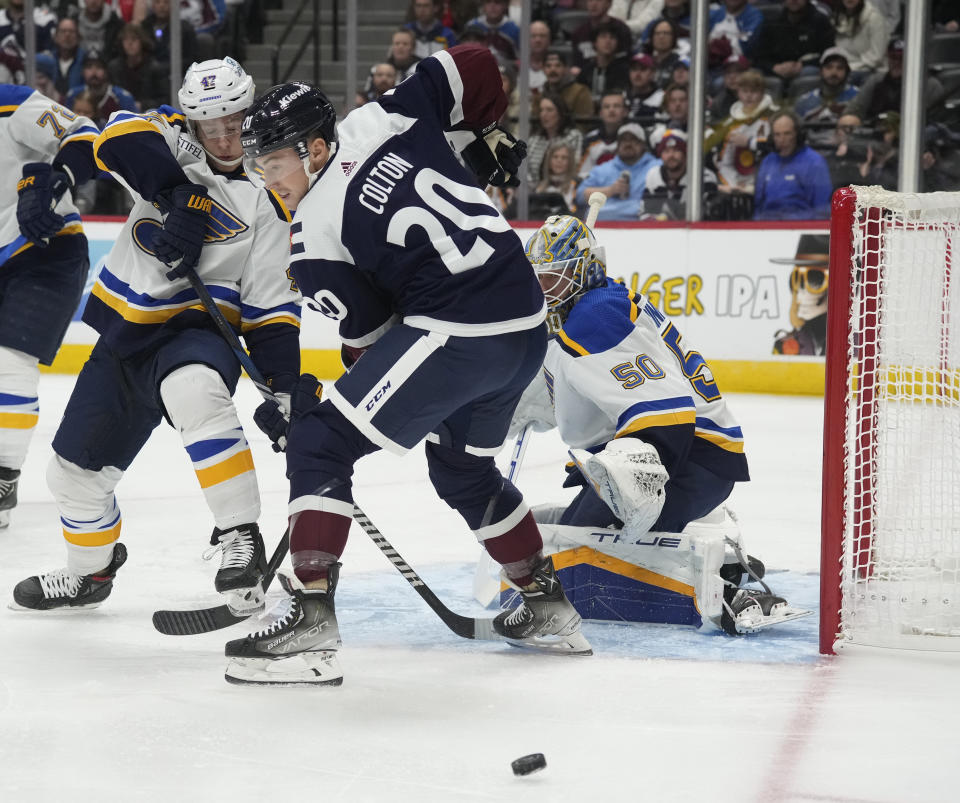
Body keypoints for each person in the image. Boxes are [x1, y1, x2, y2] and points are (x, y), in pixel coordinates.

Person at [232, 43, 592, 685]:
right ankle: (547, 606)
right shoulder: (383, 116)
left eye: (275, 162)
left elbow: (374, 338)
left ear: (315, 149)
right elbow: (476, 62)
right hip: (526, 323)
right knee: (460, 469)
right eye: (258, 165)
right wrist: (483, 133)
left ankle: (311, 620)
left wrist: (323, 410)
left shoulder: (312, 236)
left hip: (460, 329)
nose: (268, 179)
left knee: (321, 443)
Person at [11, 58, 300, 616]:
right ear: (192, 122)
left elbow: (269, 305)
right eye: (208, 125)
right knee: (72, 475)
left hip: (198, 329)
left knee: (195, 392)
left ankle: (239, 536)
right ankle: (89, 572)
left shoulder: (270, 194)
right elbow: (112, 135)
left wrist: (284, 384)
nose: (222, 137)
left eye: (233, 122)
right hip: (126, 336)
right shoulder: (171, 141)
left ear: (251, 112)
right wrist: (178, 194)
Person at [514, 214, 798, 635]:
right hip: (694, 454)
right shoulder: (591, 309)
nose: (543, 292)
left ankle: (729, 592)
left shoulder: (596, 315)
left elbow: (666, 416)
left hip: (689, 457)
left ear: (584, 272)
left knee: (584, 554)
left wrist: (632, 486)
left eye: (553, 281)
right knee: (574, 542)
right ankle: (727, 566)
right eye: (538, 281)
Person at [0, 85, 98, 529]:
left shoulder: (11, 102)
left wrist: (56, 180)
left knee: (9, 361)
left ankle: (2, 478)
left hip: (45, 250)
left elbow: (83, 134)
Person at [753, 110, 832, 220]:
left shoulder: (815, 162)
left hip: (801, 227)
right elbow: (758, 206)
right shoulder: (767, 161)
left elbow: (822, 210)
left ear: (798, 134)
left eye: (787, 133)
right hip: (767, 226)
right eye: (777, 135)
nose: (782, 140)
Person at [578, 121, 660, 221]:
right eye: (623, 140)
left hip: (646, 228)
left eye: (633, 140)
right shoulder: (603, 169)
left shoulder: (656, 167)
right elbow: (580, 196)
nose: (628, 144)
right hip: (603, 229)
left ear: (643, 144)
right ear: (617, 145)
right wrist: (611, 190)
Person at [642, 129, 717, 220]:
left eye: (676, 150)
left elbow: (709, 214)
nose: (671, 155)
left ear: (686, 153)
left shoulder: (704, 176)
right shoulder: (653, 175)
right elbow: (647, 213)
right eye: (666, 151)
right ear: (660, 155)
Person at [793, 48, 860, 148]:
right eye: (829, 67)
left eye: (840, 68)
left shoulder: (859, 97)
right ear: (821, 71)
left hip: (849, 150)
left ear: (847, 72)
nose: (834, 72)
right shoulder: (804, 101)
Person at [65, 50, 138, 127]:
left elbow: (133, 128)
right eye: (89, 67)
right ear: (83, 71)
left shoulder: (122, 98)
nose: (94, 72)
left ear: (106, 71)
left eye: (99, 67)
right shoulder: (73, 95)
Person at [525, 92, 584, 185]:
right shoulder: (534, 140)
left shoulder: (573, 136)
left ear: (560, 113)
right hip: (533, 190)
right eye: (541, 110)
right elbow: (525, 170)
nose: (544, 114)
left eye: (549, 110)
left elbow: (573, 168)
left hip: (562, 189)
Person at [108, 22, 168, 111]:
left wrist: (143, 105)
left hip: (148, 116)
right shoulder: (114, 67)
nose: (130, 43)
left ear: (142, 42)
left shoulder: (155, 68)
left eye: (134, 39)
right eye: (125, 39)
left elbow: (166, 99)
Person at [578, 89, 630, 179]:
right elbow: (583, 174)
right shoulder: (590, 139)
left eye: (616, 106)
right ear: (600, 113)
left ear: (625, 112)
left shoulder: (634, 138)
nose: (611, 110)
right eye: (607, 107)